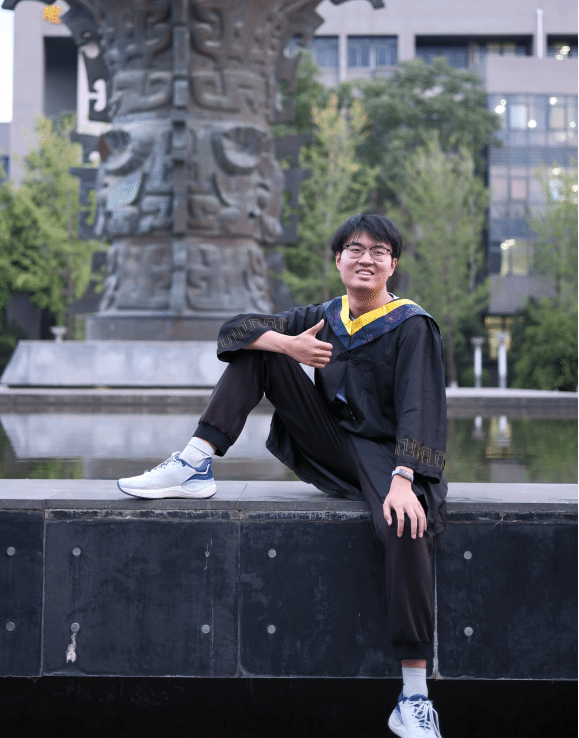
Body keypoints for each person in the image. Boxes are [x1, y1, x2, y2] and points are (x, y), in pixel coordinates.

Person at [118, 213, 447, 738]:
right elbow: (234, 330)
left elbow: (420, 404)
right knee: (262, 347)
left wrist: (406, 478)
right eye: (355, 249)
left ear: (393, 265)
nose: (366, 259)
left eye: (379, 252)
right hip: (336, 447)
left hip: (392, 458)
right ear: (338, 259)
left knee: (406, 526)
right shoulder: (325, 316)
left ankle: (413, 696)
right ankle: (195, 461)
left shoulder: (411, 325)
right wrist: (288, 345)